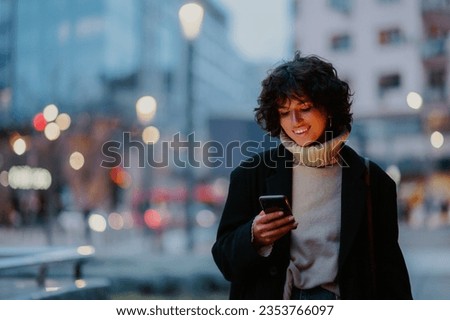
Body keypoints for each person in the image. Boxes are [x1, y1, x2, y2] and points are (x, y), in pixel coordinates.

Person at [211, 52, 412, 300]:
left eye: (304, 107)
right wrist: (254, 236)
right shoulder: (252, 174)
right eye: (284, 112)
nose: (295, 121)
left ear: (329, 108)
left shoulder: (373, 180)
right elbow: (224, 259)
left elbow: (389, 268)